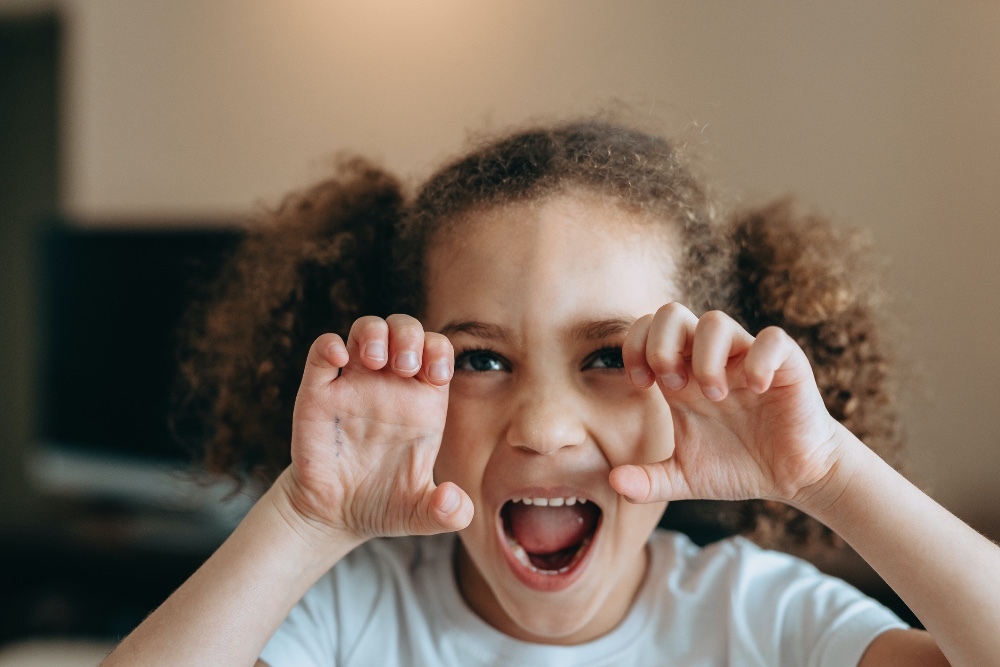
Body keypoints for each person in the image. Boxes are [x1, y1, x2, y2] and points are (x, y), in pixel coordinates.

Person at [103, 120, 999, 666]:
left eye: (609, 355)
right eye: (483, 361)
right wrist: (304, 519)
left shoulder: (764, 619)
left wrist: (829, 472)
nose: (541, 426)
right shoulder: (351, 613)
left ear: (694, 385)